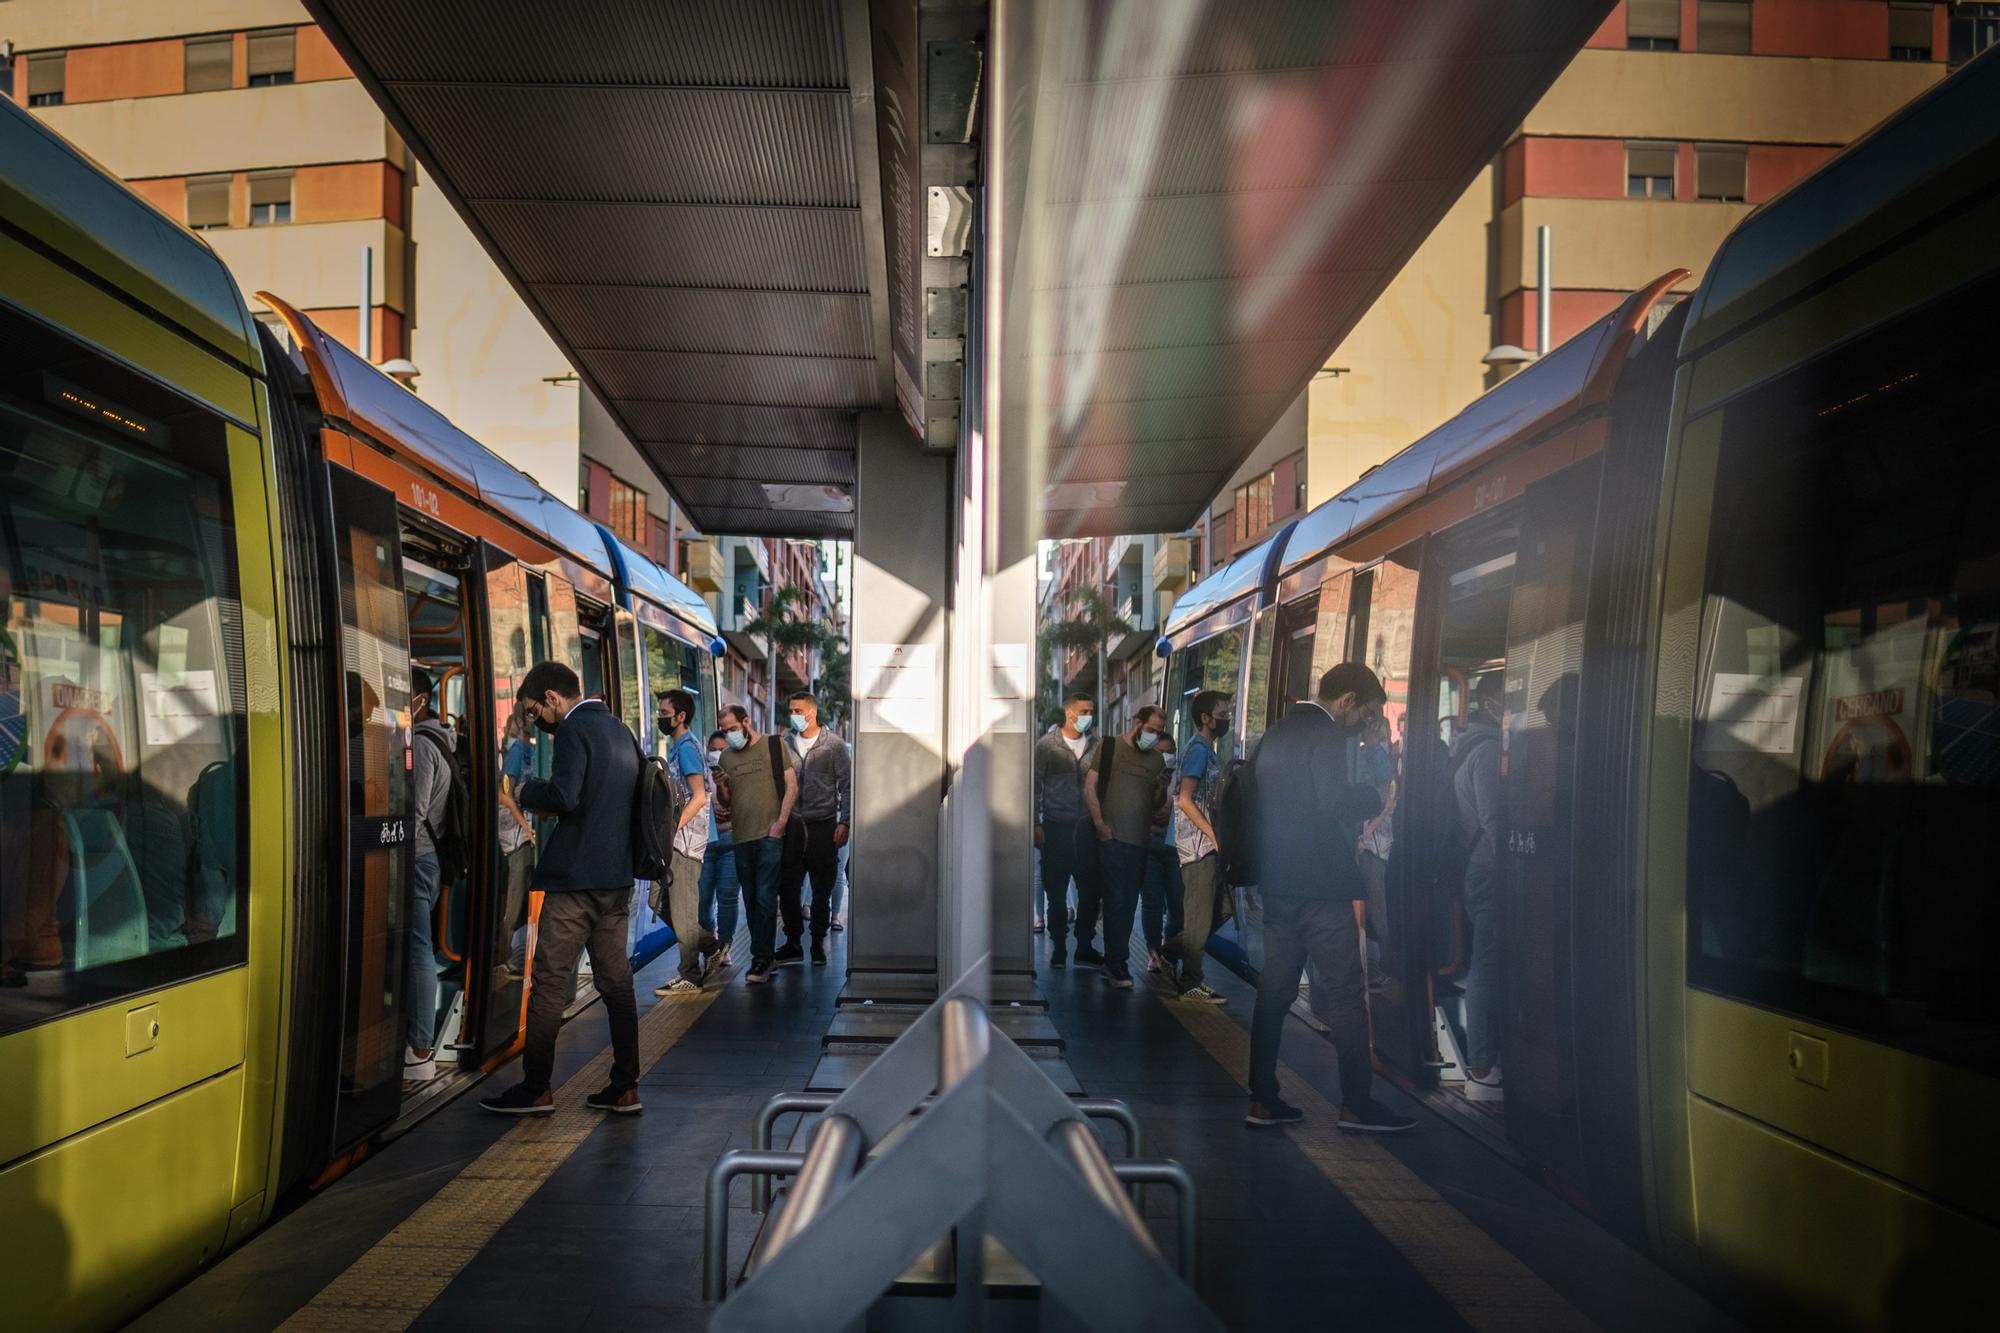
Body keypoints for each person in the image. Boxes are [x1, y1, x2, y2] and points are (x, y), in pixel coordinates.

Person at [1245, 663, 1415, 1133]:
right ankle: (1356, 1104)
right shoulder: (1325, 736)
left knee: (1274, 994)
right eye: (1365, 712)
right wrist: (1374, 796)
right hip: (1322, 888)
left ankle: (1261, 1098)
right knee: (1345, 994)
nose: (1363, 722)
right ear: (1347, 701)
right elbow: (1332, 803)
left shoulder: (1276, 733)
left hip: (1278, 884)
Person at [480, 662, 644, 1116]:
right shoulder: (620, 731)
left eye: (536, 711)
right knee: (617, 984)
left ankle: (536, 1088)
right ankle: (626, 1086)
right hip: (616, 880)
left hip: (574, 883)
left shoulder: (574, 730)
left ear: (552, 698)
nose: (538, 721)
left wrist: (526, 791)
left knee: (550, 983)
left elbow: (564, 796)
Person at [1082, 706, 1167, 990]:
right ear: (1137, 723)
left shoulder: (1156, 760)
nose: (1154, 737)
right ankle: (1117, 962)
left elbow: (1156, 805)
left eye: (1159, 733)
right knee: (1116, 900)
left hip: (1139, 842)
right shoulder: (1109, 747)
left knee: (1128, 904)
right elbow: (1090, 787)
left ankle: (1114, 961)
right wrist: (1100, 825)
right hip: (1112, 839)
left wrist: (1161, 788)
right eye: (1151, 730)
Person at [1452, 673, 1505, 1100]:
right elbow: (1494, 821)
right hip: (1488, 870)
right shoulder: (1487, 752)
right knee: (1486, 963)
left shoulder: (1466, 746)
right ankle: (1482, 1066)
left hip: (1476, 869)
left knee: (1486, 960)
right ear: (1490, 703)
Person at [717, 704, 798, 985]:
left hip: (769, 835)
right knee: (751, 899)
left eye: (732, 728)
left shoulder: (774, 745)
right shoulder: (726, 757)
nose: (729, 735)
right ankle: (764, 955)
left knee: (765, 897)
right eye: (724, 731)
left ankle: (761, 958)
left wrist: (780, 823)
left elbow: (792, 785)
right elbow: (727, 802)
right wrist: (721, 786)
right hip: (741, 837)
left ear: (746, 722)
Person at [1166, 689, 1231, 1004]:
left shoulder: (1206, 749)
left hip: (1205, 845)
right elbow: (1184, 799)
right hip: (1197, 847)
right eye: (1222, 714)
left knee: (1223, 908)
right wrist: (1212, 834)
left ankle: (1170, 950)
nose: (1226, 719)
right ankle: (1191, 982)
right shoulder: (1198, 751)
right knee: (1200, 915)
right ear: (1205, 718)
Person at [405, 667, 453, 1088]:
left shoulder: (421, 744)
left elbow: (415, 811)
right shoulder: (443, 737)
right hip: (430, 859)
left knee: (418, 949)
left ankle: (420, 1050)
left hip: (418, 858)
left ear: (419, 697)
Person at [654, 688, 719, 996]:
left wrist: (673, 829)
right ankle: (712, 946)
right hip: (675, 841)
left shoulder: (688, 748)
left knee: (682, 911)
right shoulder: (679, 747)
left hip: (686, 843)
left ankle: (690, 975)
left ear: (680, 716)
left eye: (664, 713)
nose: (660, 718)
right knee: (658, 902)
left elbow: (699, 796)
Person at [779, 691, 851, 966]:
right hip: (793, 825)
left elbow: (847, 786)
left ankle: (818, 943)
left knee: (822, 890)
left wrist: (844, 821)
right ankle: (793, 942)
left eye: (797, 710)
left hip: (823, 824)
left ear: (812, 712)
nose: (793, 715)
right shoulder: (784, 743)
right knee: (788, 888)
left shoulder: (834, 745)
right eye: (791, 710)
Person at [1032, 691, 1100, 968]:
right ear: (1069, 713)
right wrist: (1036, 823)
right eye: (1084, 711)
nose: (1088, 716)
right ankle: (1059, 947)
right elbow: (1034, 786)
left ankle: (1084, 946)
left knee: (1091, 891)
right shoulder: (1047, 746)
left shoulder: (1096, 745)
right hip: (1056, 826)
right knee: (1056, 893)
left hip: (1086, 829)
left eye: (1091, 711)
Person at [1138, 732, 1184, 975]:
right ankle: (1154, 953)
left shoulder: (1183, 777)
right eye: (1161, 752)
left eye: (1170, 752)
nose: (1166, 756)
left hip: (1174, 845)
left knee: (1178, 902)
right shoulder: (1144, 775)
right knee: (1152, 902)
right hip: (1148, 845)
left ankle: (1169, 943)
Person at [498, 701, 537, 980]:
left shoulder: (527, 751)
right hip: (516, 834)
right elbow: (504, 795)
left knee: (522, 897)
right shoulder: (517, 753)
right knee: (516, 898)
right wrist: (526, 827)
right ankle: (506, 957)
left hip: (523, 834)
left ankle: (517, 956)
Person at [699, 729, 741, 967]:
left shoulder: (738, 772)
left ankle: (725, 948)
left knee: (728, 897)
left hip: (731, 841)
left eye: (722, 750)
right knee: (702, 899)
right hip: (705, 843)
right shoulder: (700, 773)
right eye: (712, 750)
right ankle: (709, 943)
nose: (716, 754)